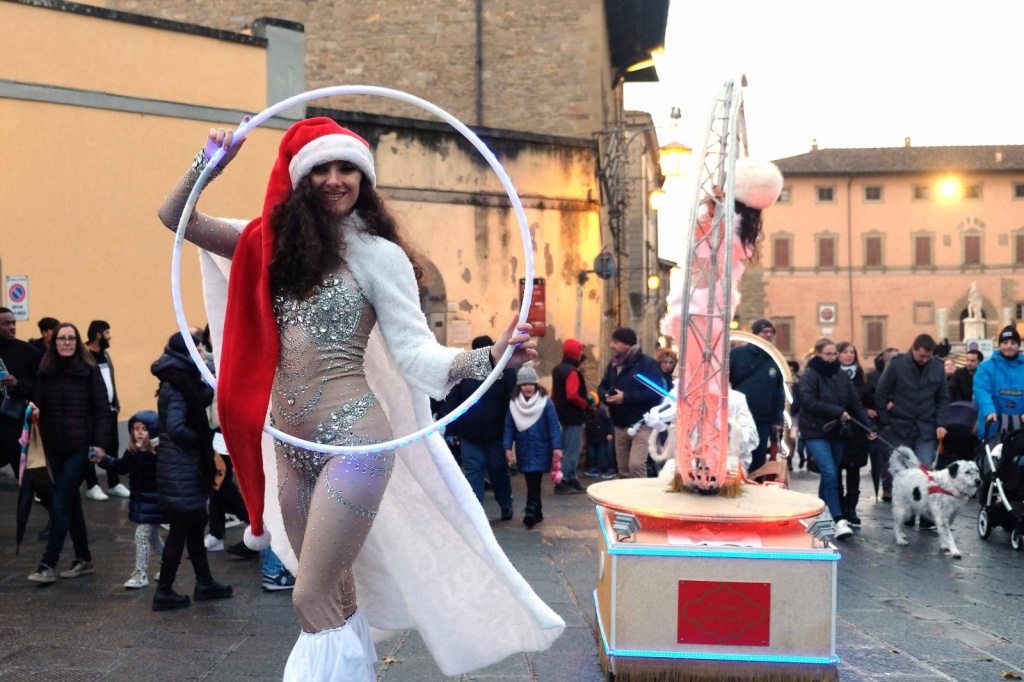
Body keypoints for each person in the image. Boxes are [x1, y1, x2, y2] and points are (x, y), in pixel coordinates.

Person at [158, 117, 560, 678]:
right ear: (301, 179)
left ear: (364, 179)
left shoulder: (380, 256)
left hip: (357, 444)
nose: (334, 179)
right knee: (338, 596)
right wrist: (209, 165)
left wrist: (491, 356)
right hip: (291, 450)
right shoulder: (264, 245)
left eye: (346, 167)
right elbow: (176, 219)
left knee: (308, 598)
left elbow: (418, 355)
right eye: (320, 168)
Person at [147, 333, 232, 611]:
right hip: (181, 466)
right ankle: (164, 591)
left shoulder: (184, 378)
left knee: (196, 524)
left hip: (183, 465)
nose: (202, 351)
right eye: (197, 348)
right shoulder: (177, 384)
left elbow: (201, 396)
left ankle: (205, 583)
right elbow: (175, 426)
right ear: (186, 352)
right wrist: (203, 439)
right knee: (182, 528)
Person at [27, 322, 110, 583]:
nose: (67, 342)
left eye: (71, 338)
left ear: (77, 342)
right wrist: (35, 409)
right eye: (62, 338)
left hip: (81, 447)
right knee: (71, 502)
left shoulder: (88, 370)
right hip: (55, 446)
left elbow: (102, 410)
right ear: (54, 343)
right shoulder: (46, 370)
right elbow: (39, 401)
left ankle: (47, 564)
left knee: (60, 500)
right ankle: (84, 559)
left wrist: (99, 444)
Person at [797, 338, 875, 541]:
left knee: (829, 474)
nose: (833, 357)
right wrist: (837, 412)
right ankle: (839, 519)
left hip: (837, 432)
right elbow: (807, 402)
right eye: (828, 354)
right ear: (819, 355)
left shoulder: (841, 376)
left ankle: (820, 514)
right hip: (815, 431)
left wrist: (868, 427)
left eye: (834, 354)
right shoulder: (810, 375)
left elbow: (855, 403)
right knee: (831, 473)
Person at [438, 334, 519, 520]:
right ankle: (476, 513)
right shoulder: (466, 372)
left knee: (497, 469)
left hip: (496, 433)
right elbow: (454, 401)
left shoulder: (504, 370)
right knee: (474, 470)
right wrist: (449, 428)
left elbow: (513, 399)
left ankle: (505, 503)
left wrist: (512, 431)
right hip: (470, 434)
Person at [94, 410, 169, 588]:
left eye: (144, 429)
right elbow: (120, 467)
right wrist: (102, 459)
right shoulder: (134, 451)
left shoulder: (160, 452)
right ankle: (168, 565)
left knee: (142, 534)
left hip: (156, 503)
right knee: (152, 537)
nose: (139, 432)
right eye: (136, 429)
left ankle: (140, 573)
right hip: (143, 502)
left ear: (153, 430)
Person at [875, 334, 949, 498]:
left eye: (928, 357)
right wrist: (885, 422)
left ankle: (924, 513)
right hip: (899, 427)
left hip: (926, 428)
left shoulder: (937, 366)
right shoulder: (897, 364)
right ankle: (906, 513)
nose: (924, 360)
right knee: (902, 473)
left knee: (925, 471)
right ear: (913, 349)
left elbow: (943, 398)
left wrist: (941, 424)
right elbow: (881, 393)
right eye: (921, 356)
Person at [597, 327, 664, 479]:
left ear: (627, 344)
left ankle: (641, 499)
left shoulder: (646, 364)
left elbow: (655, 392)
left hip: (642, 424)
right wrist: (605, 396)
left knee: (636, 465)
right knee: (623, 469)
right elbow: (602, 385)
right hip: (620, 424)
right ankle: (625, 501)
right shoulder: (614, 365)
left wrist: (625, 398)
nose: (611, 345)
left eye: (615, 341)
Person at [502, 366, 562, 528]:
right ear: (519, 386)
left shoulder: (545, 403)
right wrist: (507, 447)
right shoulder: (514, 405)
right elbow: (509, 426)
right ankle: (538, 510)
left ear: (536, 384)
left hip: (541, 446)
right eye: (524, 384)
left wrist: (556, 447)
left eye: (531, 383)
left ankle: (530, 508)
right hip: (524, 448)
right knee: (530, 478)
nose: (528, 387)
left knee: (535, 478)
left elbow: (553, 426)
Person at [729, 318, 786, 476]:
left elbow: (779, 391)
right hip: (737, 417)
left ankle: (755, 486)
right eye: (764, 332)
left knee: (758, 456)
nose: (768, 335)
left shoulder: (776, 358)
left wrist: (777, 419)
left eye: (771, 332)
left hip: (763, 417)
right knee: (736, 452)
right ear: (755, 334)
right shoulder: (737, 354)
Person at [83, 320, 128, 500]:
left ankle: (114, 483)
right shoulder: (84, 355)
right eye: (107, 333)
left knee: (112, 447)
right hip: (92, 412)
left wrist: (115, 402)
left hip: (109, 410)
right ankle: (92, 485)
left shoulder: (105, 355)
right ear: (98, 334)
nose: (110, 336)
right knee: (91, 449)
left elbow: (110, 379)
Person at [0, 307, 43, 478]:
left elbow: (39, 385)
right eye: (6, 324)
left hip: (15, 424)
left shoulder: (27, 351)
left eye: (13, 323)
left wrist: (18, 384)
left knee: (24, 475)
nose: (12, 327)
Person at [836, 342, 873, 526]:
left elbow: (867, 401)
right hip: (837, 429)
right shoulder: (832, 375)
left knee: (854, 470)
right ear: (838, 354)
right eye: (845, 352)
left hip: (857, 430)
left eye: (852, 352)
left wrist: (869, 415)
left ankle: (851, 509)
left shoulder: (862, 377)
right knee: (836, 470)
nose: (849, 355)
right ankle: (839, 509)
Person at [973, 326, 1024, 440]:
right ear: (999, 344)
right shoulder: (985, 367)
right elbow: (981, 390)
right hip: (993, 426)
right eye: (1005, 342)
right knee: (991, 456)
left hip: (1021, 428)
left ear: (1018, 345)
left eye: (1013, 342)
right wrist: (989, 410)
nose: (1009, 346)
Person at [551, 338, 587, 493]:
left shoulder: (557, 369)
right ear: (575, 353)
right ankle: (562, 481)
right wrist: (584, 403)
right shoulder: (572, 371)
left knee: (564, 449)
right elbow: (572, 395)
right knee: (571, 451)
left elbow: (554, 393)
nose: (581, 354)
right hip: (573, 416)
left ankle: (572, 479)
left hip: (560, 414)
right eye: (580, 351)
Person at [584, 393, 616, 478]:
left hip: (602, 436)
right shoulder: (588, 411)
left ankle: (609, 469)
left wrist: (609, 433)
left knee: (604, 454)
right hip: (591, 437)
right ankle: (593, 468)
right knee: (592, 454)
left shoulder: (601, 411)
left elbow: (608, 422)